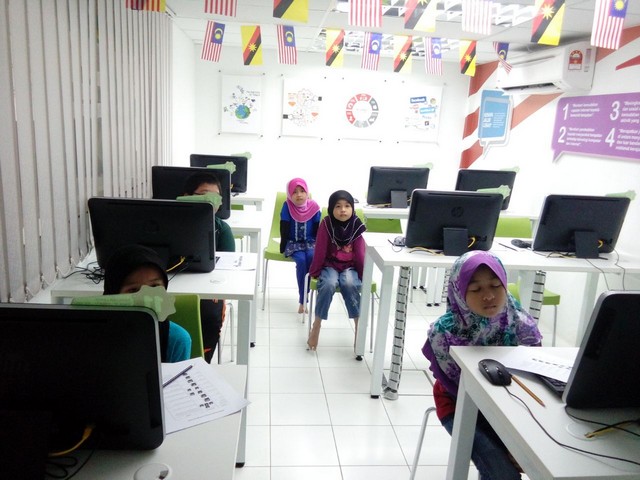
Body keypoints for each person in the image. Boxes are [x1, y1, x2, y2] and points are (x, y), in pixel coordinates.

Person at [422, 250, 542, 480]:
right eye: (476, 289)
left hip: (511, 405)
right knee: (503, 472)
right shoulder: (443, 333)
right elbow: (459, 389)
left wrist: (517, 440)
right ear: (459, 292)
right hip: (459, 404)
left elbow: (532, 376)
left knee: (531, 461)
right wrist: (506, 442)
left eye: (496, 286)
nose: (488, 296)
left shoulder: (520, 323)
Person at [103, 244, 192, 363]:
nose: (146, 298)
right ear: (113, 294)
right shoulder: (94, 334)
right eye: (133, 290)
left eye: (154, 286)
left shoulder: (176, 340)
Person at [183, 171, 235, 362]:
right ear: (186, 196)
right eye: (204, 195)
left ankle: (201, 364)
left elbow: (226, 273)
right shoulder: (167, 223)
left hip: (207, 289)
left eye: (216, 197)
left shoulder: (222, 230)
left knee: (209, 316)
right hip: (171, 284)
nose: (211, 202)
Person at [307, 190, 366, 351]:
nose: (343, 210)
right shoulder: (326, 224)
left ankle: (358, 326)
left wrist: (364, 275)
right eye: (338, 206)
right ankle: (317, 325)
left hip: (350, 266)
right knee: (328, 284)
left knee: (349, 283)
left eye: (347, 206)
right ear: (331, 208)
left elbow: (360, 253)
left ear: (352, 208)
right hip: (330, 265)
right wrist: (315, 271)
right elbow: (320, 250)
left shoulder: (356, 225)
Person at [279, 178, 321, 314]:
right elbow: (284, 227)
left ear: (307, 192)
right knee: (302, 261)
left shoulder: (314, 206)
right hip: (293, 243)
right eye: (294, 192)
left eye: (302, 191)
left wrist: (321, 247)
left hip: (310, 242)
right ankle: (303, 300)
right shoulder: (287, 206)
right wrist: (282, 246)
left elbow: (318, 229)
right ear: (289, 194)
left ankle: (305, 296)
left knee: (311, 257)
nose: (299, 195)